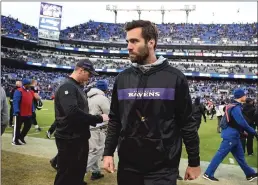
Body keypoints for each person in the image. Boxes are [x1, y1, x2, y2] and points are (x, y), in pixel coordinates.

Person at [103, 20, 201, 185]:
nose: (129, 46)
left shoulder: (175, 78)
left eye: (134, 41)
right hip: (128, 167)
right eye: (127, 41)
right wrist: (107, 153)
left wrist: (194, 162)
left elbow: (187, 123)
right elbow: (115, 120)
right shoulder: (122, 79)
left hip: (163, 169)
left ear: (151, 42)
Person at [53, 59, 109, 185]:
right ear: (81, 70)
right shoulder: (67, 86)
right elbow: (72, 112)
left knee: (77, 172)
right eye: (89, 74)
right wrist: (99, 118)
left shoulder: (77, 87)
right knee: (65, 174)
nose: (89, 78)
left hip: (79, 137)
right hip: (69, 138)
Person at [203, 88, 258, 182]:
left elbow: (236, 122)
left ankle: (250, 174)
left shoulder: (233, 106)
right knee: (220, 154)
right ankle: (208, 173)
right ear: (240, 97)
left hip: (234, 135)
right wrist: (254, 132)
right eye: (244, 95)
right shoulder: (236, 108)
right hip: (231, 136)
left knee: (240, 157)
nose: (246, 96)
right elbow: (242, 122)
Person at [86, 80, 110, 180]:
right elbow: (108, 114)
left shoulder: (88, 96)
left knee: (93, 150)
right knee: (96, 151)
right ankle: (78, 173)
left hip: (89, 127)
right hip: (98, 128)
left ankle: (96, 172)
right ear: (105, 88)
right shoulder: (102, 98)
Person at [12, 79, 35, 145]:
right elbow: (15, 101)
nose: (30, 85)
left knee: (28, 126)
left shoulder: (30, 91)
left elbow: (31, 101)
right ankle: (15, 140)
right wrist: (16, 111)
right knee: (17, 127)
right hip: (20, 113)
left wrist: (32, 109)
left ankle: (21, 137)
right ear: (25, 85)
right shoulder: (19, 91)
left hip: (28, 113)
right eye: (28, 84)